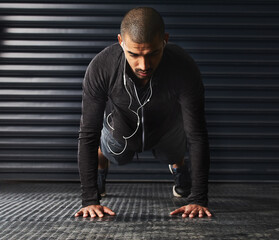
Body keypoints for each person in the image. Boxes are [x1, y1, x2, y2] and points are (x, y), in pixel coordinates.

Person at [75, 7, 212, 219]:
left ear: (165, 40)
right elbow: (88, 133)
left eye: (152, 54)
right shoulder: (102, 67)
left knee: (175, 151)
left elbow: (197, 134)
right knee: (109, 150)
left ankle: (178, 166)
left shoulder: (183, 67)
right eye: (133, 54)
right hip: (122, 125)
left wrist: (198, 199)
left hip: (165, 126)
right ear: (120, 41)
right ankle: (102, 166)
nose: (144, 65)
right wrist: (89, 199)